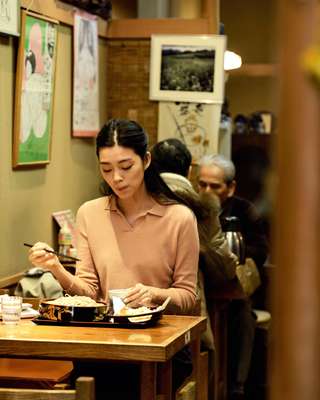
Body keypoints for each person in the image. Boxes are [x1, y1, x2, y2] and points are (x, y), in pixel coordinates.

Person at [28, 119, 199, 399]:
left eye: (126, 167)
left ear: (145, 160)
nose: (116, 178)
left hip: (159, 348)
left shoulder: (179, 218)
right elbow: (90, 291)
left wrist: (153, 295)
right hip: (104, 345)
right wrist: (56, 268)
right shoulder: (89, 214)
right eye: (106, 169)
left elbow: (188, 297)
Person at [151, 138, 237, 396]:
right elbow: (223, 266)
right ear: (189, 171)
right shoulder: (201, 205)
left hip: (134, 306)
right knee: (194, 366)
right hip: (185, 311)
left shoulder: (133, 197)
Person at [198, 154, 269, 400]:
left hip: (236, 288)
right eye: (202, 184)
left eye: (215, 186)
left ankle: (237, 386)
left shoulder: (244, 210)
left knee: (242, 319)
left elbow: (261, 250)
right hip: (202, 286)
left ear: (231, 187)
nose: (207, 190)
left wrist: (233, 254)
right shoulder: (193, 209)